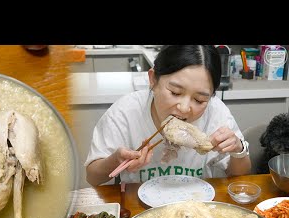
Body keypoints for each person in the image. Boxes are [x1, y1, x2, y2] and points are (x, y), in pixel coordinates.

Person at [85, 45, 251, 186]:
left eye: (199, 100)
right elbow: (92, 177)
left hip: (198, 207)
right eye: (175, 92)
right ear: (153, 80)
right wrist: (116, 160)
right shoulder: (126, 113)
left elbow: (240, 175)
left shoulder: (216, 113)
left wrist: (238, 149)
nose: (185, 108)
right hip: (139, 208)